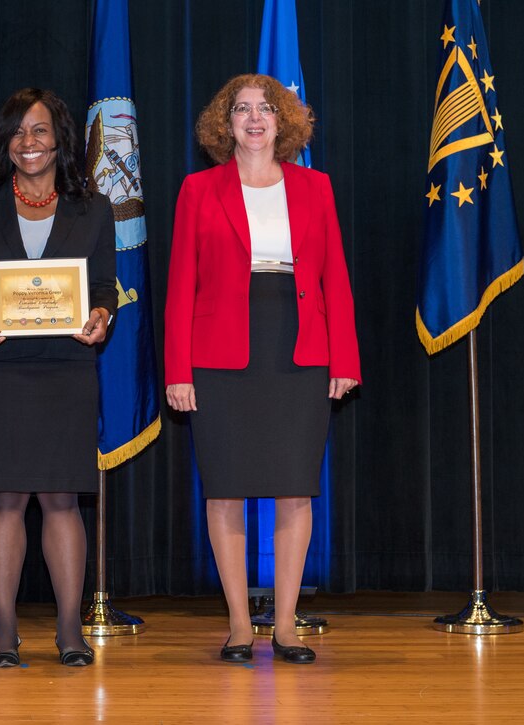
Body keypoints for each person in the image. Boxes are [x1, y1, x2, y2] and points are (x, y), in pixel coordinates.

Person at [164, 74, 361, 665]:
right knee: (224, 489)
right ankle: (237, 626)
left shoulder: (316, 186)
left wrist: (344, 357)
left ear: (284, 122)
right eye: (242, 109)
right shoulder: (198, 190)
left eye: (266, 110)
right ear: (226, 123)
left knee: (294, 489)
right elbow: (179, 288)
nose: (254, 119)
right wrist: (179, 370)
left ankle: (286, 625)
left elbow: (336, 281)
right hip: (219, 354)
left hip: (298, 350)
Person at [0, 88, 117, 668]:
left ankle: (70, 631)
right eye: (18, 132)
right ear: (6, 142)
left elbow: (101, 288)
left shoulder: (92, 208)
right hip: (1, 368)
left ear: (59, 139)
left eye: (40, 130)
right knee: (5, 500)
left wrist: (101, 316)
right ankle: (3, 631)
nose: (29, 143)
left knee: (63, 500)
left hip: (68, 368)